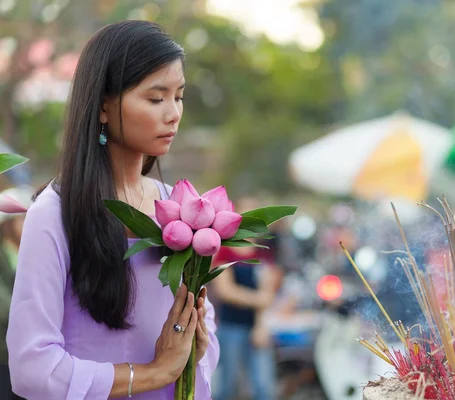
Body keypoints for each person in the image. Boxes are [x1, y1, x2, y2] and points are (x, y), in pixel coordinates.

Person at [6, 21, 219, 399]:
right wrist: (152, 373)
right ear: (104, 106)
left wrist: (195, 347)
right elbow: (31, 367)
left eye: (179, 96)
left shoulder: (181, 208)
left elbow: (204, 338)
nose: (173, 114)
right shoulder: (54, 213)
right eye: (156, 98)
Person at [210, 198, 279, 400]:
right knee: (226, 386)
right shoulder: (224, 251)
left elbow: (268, 291)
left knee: (263, 386)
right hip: (230, 325)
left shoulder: (263, 252)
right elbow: (226, 291)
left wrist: (260, 325)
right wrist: (259, 299)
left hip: (257, 326)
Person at [0, 186, 33, 400]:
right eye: (20, 219)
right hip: (4, 354)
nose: (26, 224)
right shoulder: (4, 257)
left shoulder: (33, 254)